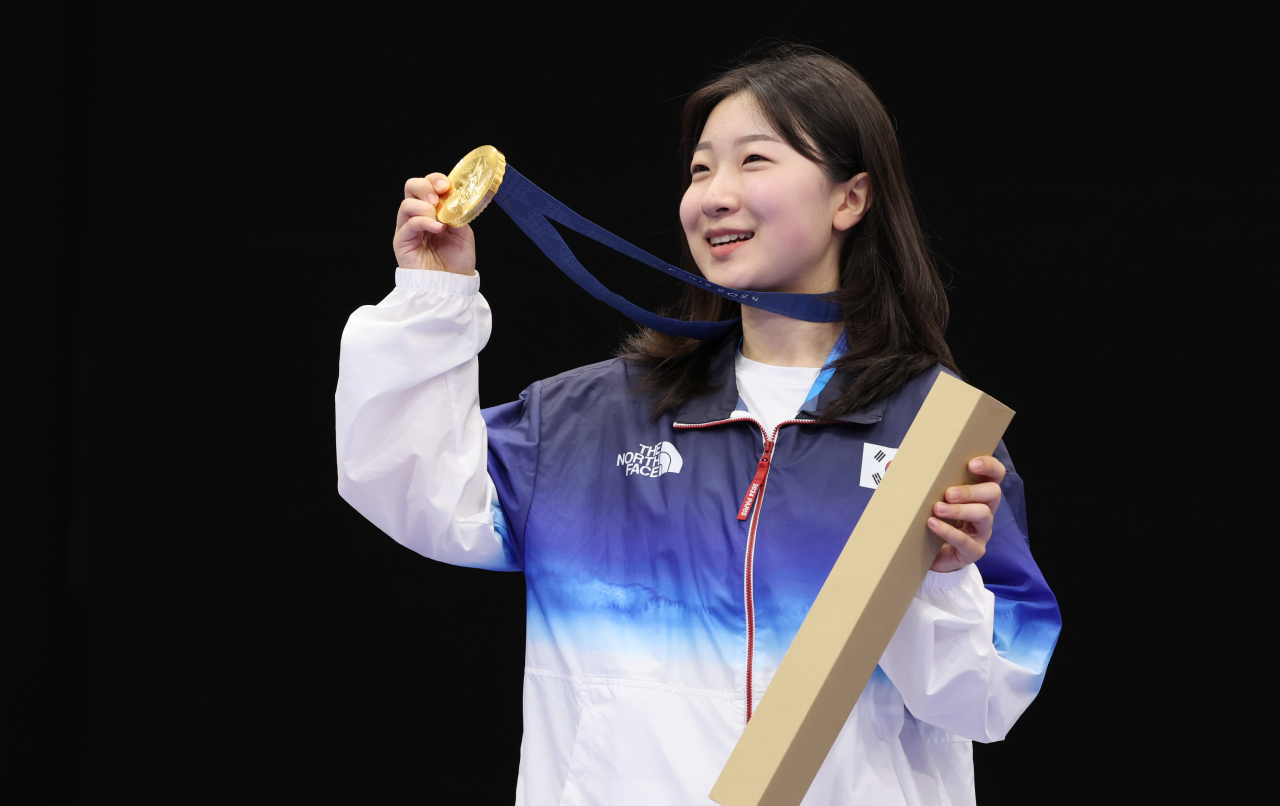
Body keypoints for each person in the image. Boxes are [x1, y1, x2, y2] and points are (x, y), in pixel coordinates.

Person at [335, 46, 1060, 805]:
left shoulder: (932, 434)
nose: (715, 194)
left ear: (850, 199)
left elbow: (985, 705)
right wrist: (430, 296)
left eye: (754, 160)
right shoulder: (591, 420)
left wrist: (940, 582)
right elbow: (405, 483)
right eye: (701, 169)